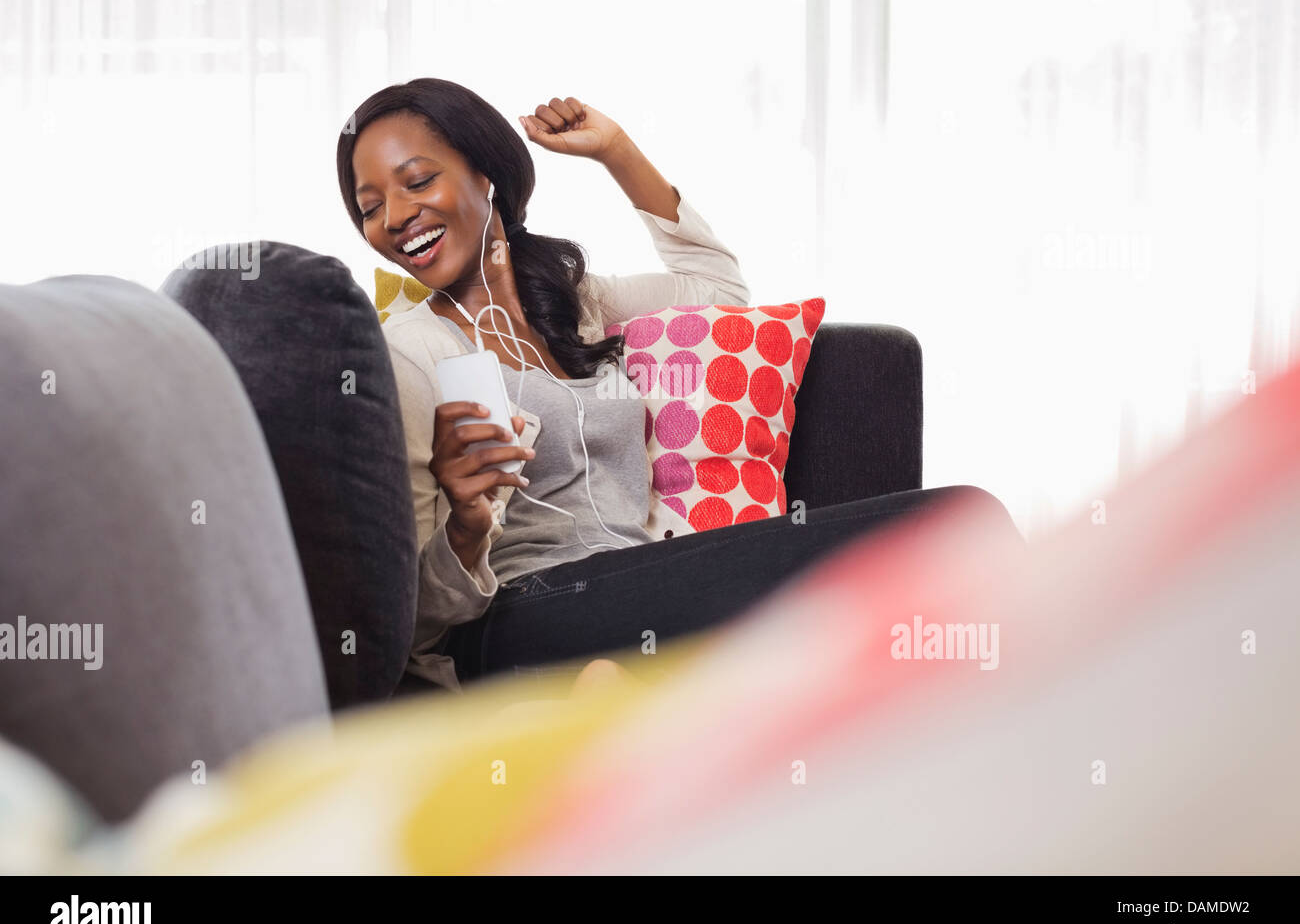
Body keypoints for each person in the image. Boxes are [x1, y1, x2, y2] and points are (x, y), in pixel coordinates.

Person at [337, 78, 1019, 692]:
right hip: (516, 618)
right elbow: (415, 621)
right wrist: (466, 524)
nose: (394, 217)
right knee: (955, 521)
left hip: (641, 588)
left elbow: (718, 291)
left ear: (485, 176)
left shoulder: (575, 300)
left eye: (417, 182)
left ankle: (617, 701)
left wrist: (617, 151)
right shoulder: (412, 351)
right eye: (371, 208)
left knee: (957, 524)